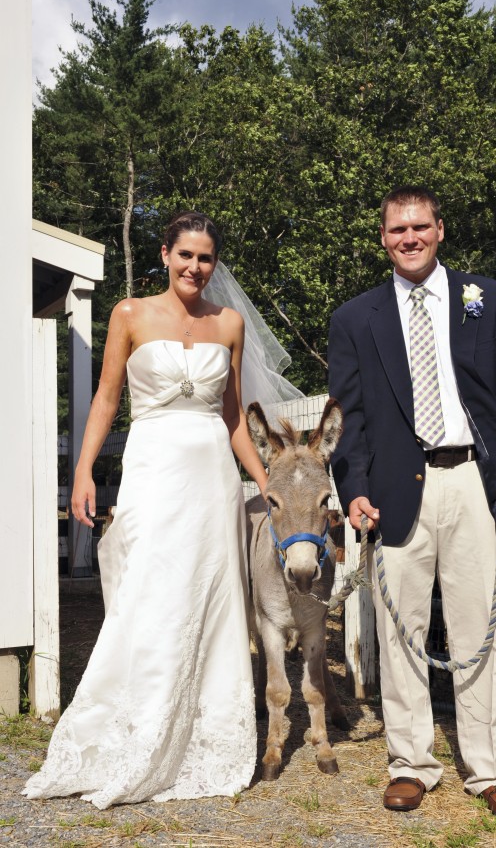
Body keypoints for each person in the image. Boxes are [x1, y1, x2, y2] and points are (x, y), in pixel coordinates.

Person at [24, 211, 274, 809]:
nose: (195, 267)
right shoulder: (129, 314)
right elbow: (108, 398)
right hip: (153, 469)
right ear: (165, 254)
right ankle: (134, 735)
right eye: (185, 255)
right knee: (150, 592)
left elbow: (234, 418)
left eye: (205, 258)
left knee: (210, 597)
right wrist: (82, 472)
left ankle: (205, 741)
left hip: (212, 476)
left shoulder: (230, 323)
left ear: (215, 264)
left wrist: (269, 483)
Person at [328, 186, 496, 820]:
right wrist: (354, 488)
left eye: (420, 226)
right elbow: (350, 417)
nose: (409, 237)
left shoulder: (489, 301)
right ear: (383, 237)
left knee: (480, 629)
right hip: (395, 490)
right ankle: (411, 764)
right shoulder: (355, 318)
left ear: (440, 229)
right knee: (401, 633)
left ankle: (489, 770)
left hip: (473, 480)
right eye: (397, 229)